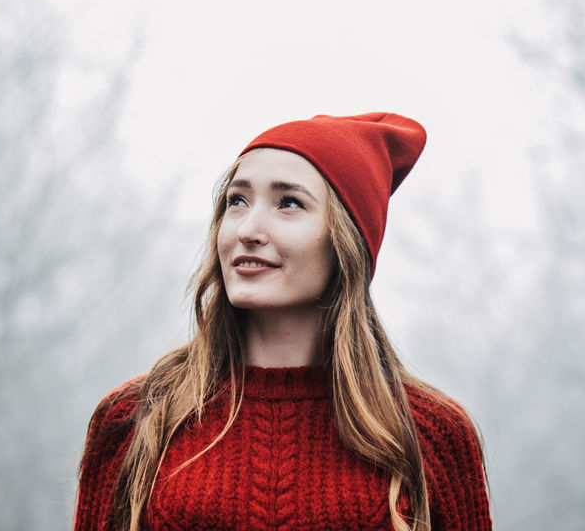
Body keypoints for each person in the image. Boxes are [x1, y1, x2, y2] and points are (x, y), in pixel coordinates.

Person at [73, 112, 493, 531]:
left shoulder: (432, 434)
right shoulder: (136, 418)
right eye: (236, 201)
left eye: (289, 202)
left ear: (347, 241)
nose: (247, 229)